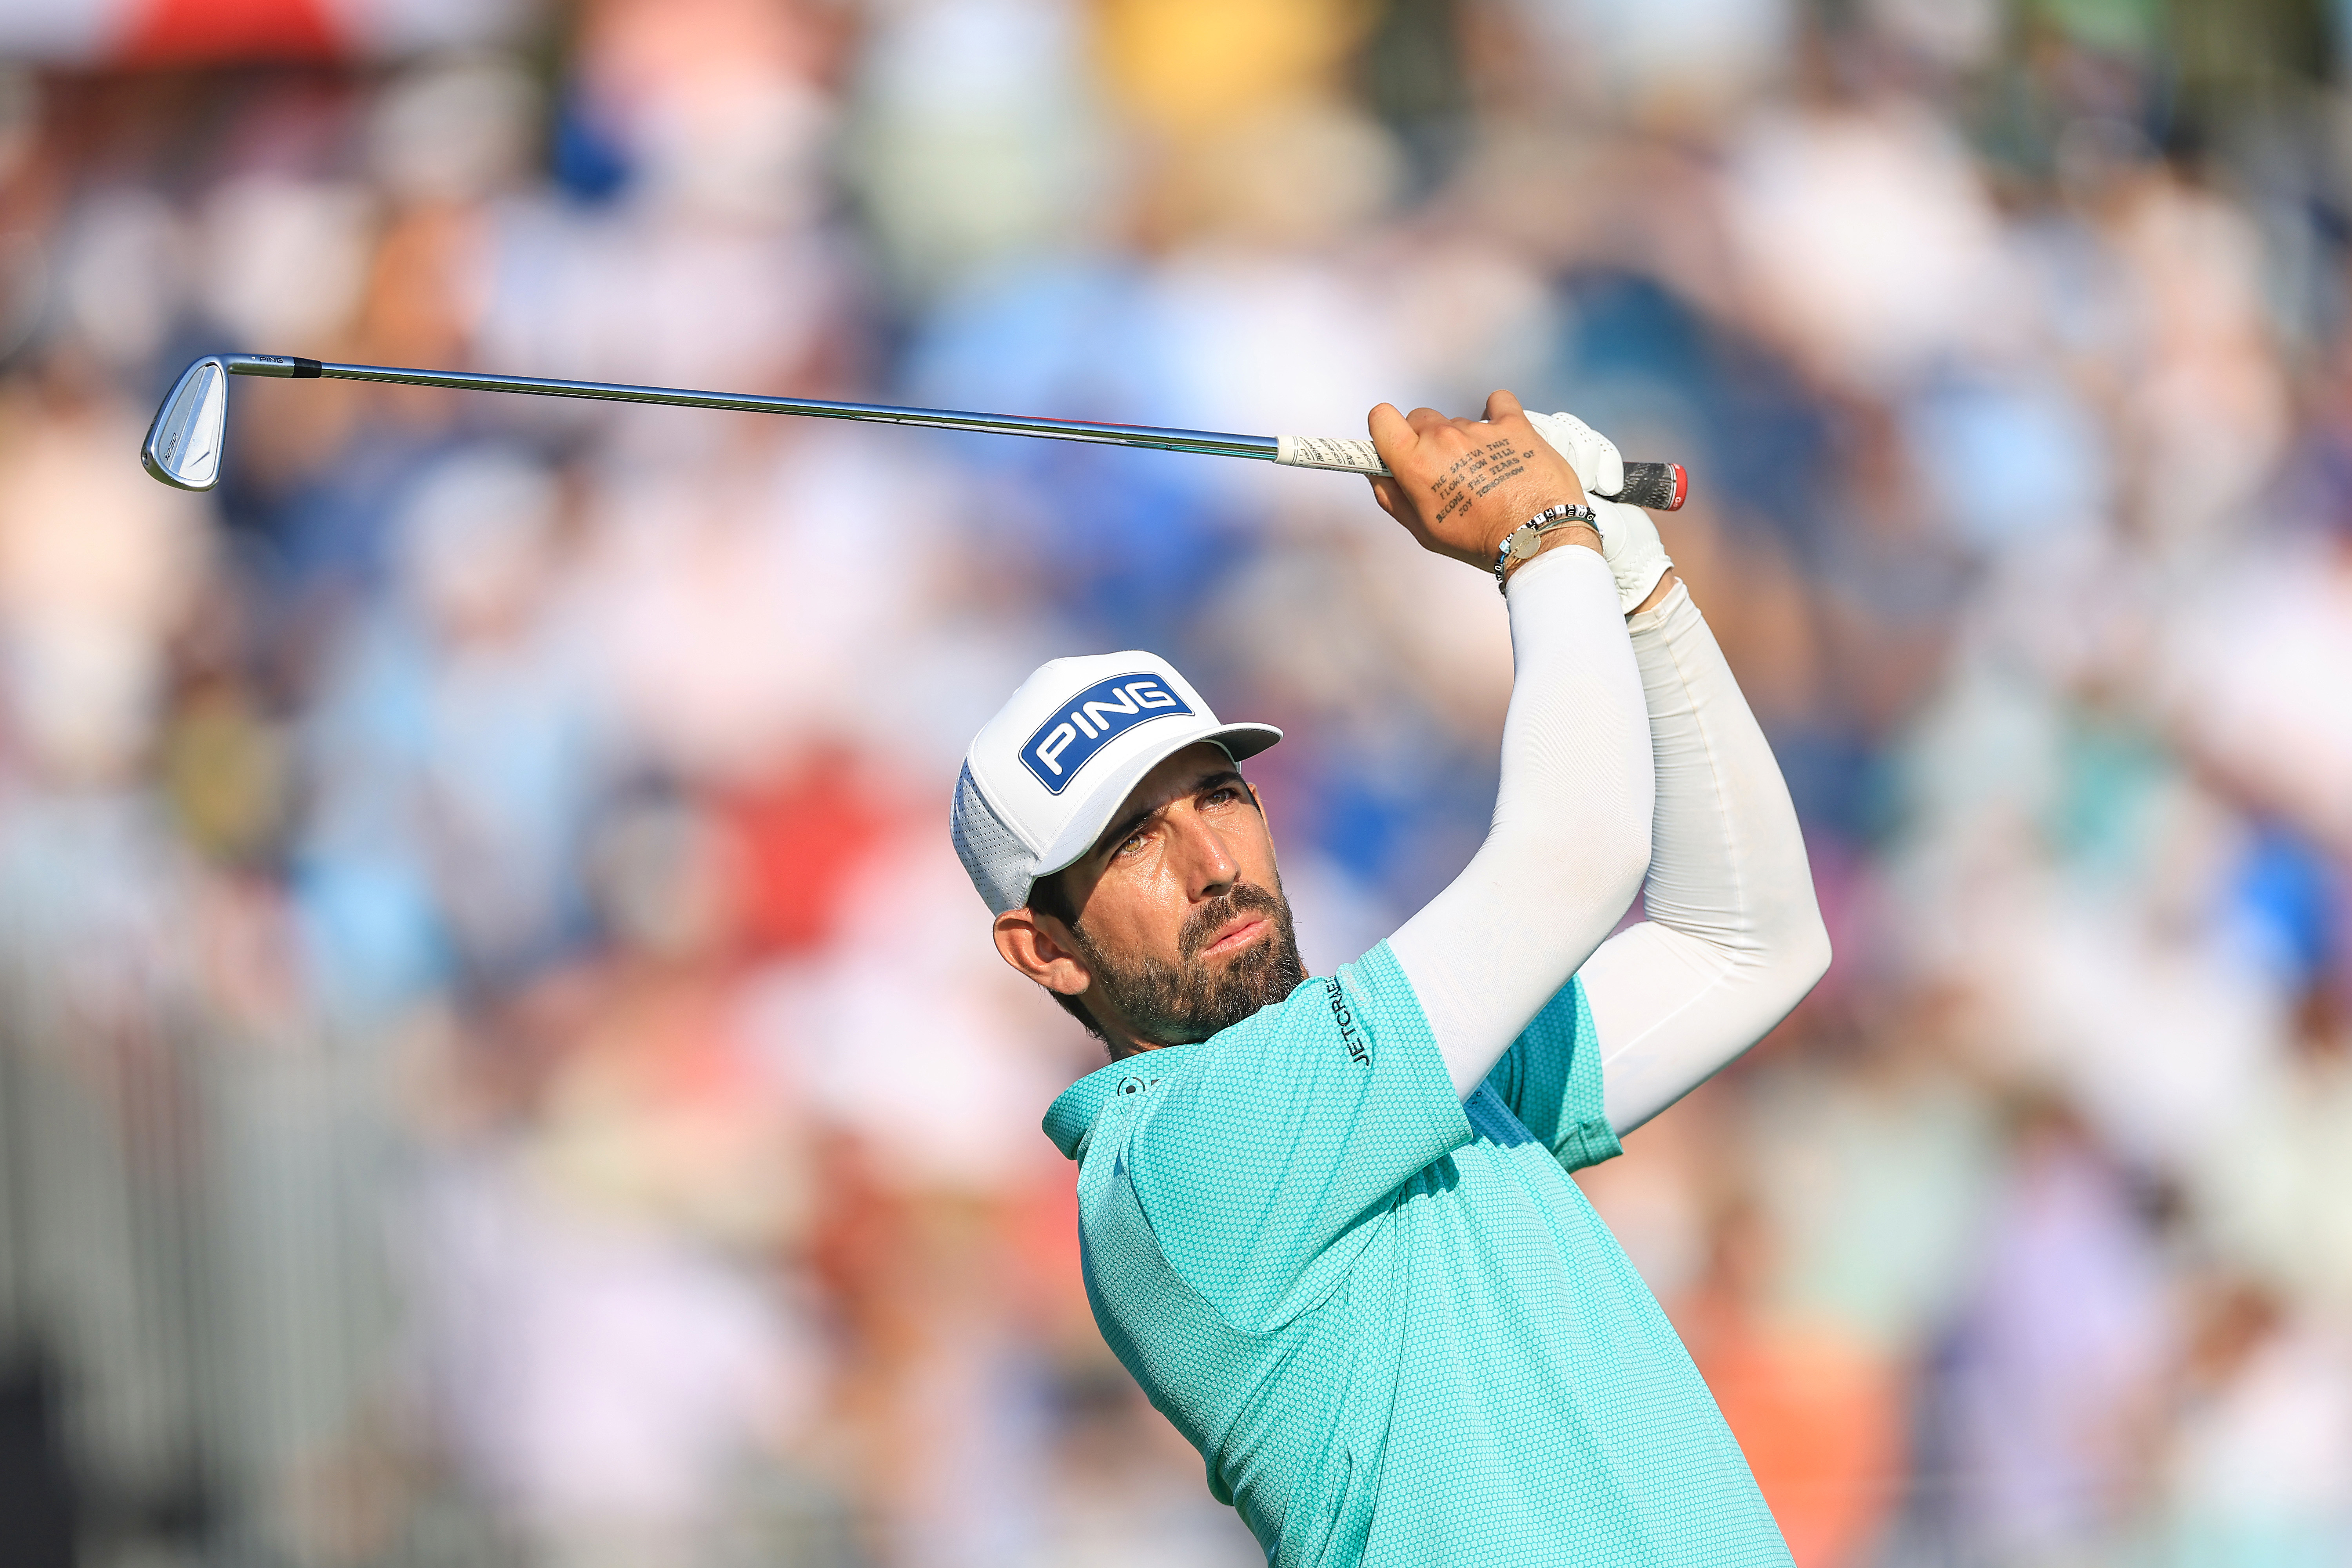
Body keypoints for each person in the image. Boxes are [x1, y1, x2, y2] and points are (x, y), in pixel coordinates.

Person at [950, 391, 1831, 1566]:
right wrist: (1542, 541)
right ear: (1045, 950)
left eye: (1218, 795)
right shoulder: (1179, 1163)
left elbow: (1747, 945)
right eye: (1132, 844)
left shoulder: (1413, 1084)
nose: (1213, 863)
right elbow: (1578, 856)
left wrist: (1635, 578)